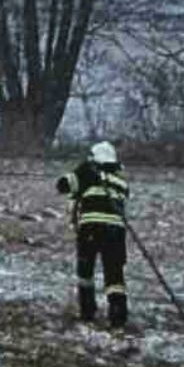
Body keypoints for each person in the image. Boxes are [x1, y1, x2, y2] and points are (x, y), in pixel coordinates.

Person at [56, 140, 129, 328]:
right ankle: (118, 313)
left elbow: (63, 185)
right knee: (114, 272)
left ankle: (88, 311)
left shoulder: (87, 171)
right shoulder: (120, 179)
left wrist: (77, 175)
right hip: (116, 230)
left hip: (91, 227)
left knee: (85, 270)